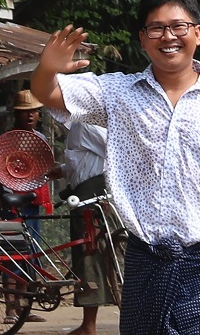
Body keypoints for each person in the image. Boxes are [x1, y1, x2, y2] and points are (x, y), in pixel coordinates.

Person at [30, 0, 200, 334]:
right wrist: (47, 69)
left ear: (197, 33)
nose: (168, 37)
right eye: (156, 28)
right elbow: (48, 93)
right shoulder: (118, 94)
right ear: (142, 39)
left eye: (178, 26)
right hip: (144, 261)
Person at [46, 121, 115, 335]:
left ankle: (89, 326)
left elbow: (115, 148)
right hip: (84, 190)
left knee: (89, 254)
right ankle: (89, 323)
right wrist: (62, 170)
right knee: (89, 254)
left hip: (93, 193)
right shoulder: (76, 128)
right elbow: (88, 160)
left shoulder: (85, 124)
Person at [2, 89, 49, 324]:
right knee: (11, 255)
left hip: (34, 202)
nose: (30, 116)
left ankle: (23, 307)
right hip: (15, 204)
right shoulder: (7, 140)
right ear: (17, 115)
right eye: (25, 112)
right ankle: (10, 308)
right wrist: (4, 194)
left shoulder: (41, 139)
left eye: (34, 112)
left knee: (31, 254)